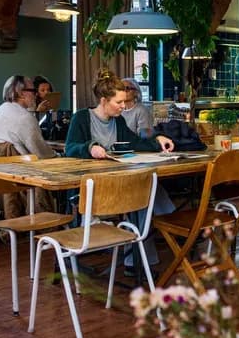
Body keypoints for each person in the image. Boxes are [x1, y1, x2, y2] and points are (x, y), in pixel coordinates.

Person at [65, 69, 175, 270]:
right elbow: (70, 148)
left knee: (146, 187)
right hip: (93, 189)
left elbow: (134, 143)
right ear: (103, 100)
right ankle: (171, 225)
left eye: (124, 102)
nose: (124, 106)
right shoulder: (81, 118)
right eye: (119, 102)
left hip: (118, 182)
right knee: (144, 192)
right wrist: (89, 148)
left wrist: (157, 140)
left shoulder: (118, 121)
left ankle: (138, 260)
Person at [0, 75, 57, 219]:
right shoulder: (24, 117)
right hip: (20, 179)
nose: (35, 94)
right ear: (21, 93)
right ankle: (47, 221)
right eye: (33, 90)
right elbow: (41, 153)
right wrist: (58, 155)